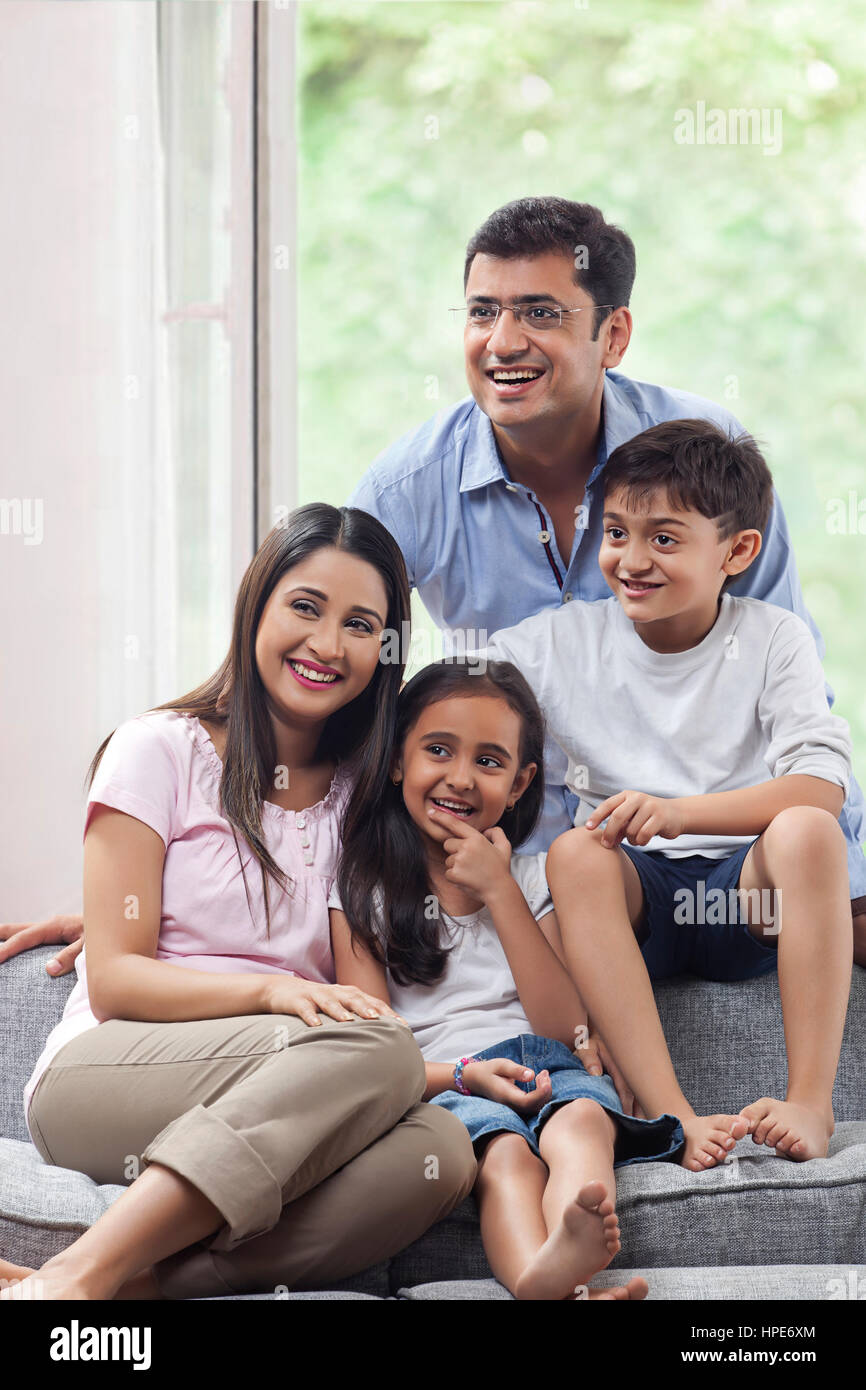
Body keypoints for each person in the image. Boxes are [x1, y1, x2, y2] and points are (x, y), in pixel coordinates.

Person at [5, 193, 864, 961]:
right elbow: (322, 674)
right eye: (483, 311)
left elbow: (792, 691)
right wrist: (146, 896)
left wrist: (849, 887)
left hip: (720, 844)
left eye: (539, 313)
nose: (503, 342)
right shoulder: (406, 490)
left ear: (613, 334)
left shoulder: (704, 459)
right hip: (529, 851)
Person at [0, 505, 475, 1301]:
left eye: (361, 624)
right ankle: (75, 1279)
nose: (327, 645)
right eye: (305, 607)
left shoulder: (361, 801)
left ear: (385, 651)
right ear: (257, 605)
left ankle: (138, 1286)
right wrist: (273, 990)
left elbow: (366, 1014)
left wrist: (456, 1071)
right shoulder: (158, 748)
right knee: (386, 1053)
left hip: (271, 1083)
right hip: (108, 1074)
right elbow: (117, 983)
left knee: (443, 1148)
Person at [477, 419, 853, 1163]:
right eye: (617, 532)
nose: (632, 560)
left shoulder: (774, 638)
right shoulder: (557, 645)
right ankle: (670, 1113)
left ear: (737, 552)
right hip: (633, 904)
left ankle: (811, 1103)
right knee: (577, 854)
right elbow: (445, 696)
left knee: (807, 829)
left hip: (740, 899)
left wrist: (679, 814)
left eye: (666, 539)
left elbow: (821, 786)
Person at [327, 656, 749, 1301]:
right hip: (448, 1078)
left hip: (549, 1063)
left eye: (490, 762)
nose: (461, 779)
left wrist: (501, 894)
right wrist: (463, 1075)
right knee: (505, 1157)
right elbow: (376, 1048)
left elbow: (562, 1024)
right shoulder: (362, 891)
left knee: (583, 1122)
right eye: (438, 750)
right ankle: (540, 1280)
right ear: (394, 760)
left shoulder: (530, 880)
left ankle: (573, 1252)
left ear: (521, 783)